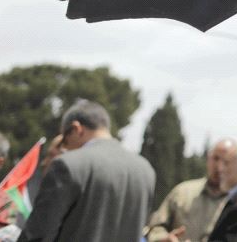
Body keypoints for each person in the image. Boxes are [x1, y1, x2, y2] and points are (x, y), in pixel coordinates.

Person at [16, 99, 155, 242]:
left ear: (76, 129)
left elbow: (38, 234)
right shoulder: (145, 170)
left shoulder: (68, 164)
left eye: (65, 140)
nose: (65, 148)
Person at [146, 138, 235, 242]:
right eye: (216, 158)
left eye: (227, 161)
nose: (219, 167)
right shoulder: (183, 192)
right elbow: (156, 227)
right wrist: (165, 239)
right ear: (208, 159)